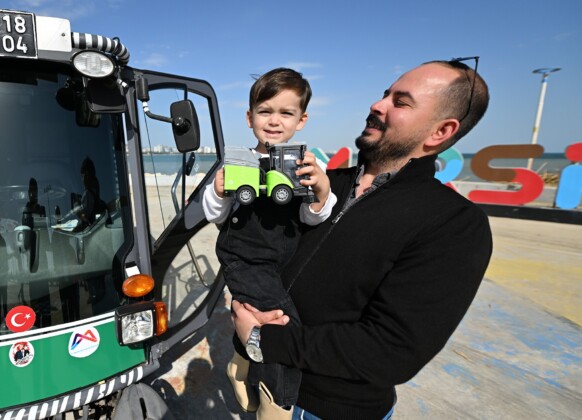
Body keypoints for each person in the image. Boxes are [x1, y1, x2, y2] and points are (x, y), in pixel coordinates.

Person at [232, 58, 493, 419]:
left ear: (440, 132)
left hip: (330, 409)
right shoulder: (321, 183)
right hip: (269, 382)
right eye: (385, 94)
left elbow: (392, 351)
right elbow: (255, 248)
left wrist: (265, 340)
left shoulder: (455, 223)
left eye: (400, 102)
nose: (377, 104)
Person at [201, 68, 336, 418]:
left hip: (284, 258)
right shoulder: (236, 162)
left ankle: (241, 360)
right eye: (265, 111)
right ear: (249, 118)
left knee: (260, 316)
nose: (274, 121)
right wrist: (216, 192)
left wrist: (322, 192)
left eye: (286, 113)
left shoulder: (305, 163)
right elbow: (215, 215)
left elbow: (311, 218)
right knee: (284, 325)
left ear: (301, 120)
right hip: (245, 258)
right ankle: (277, 404)